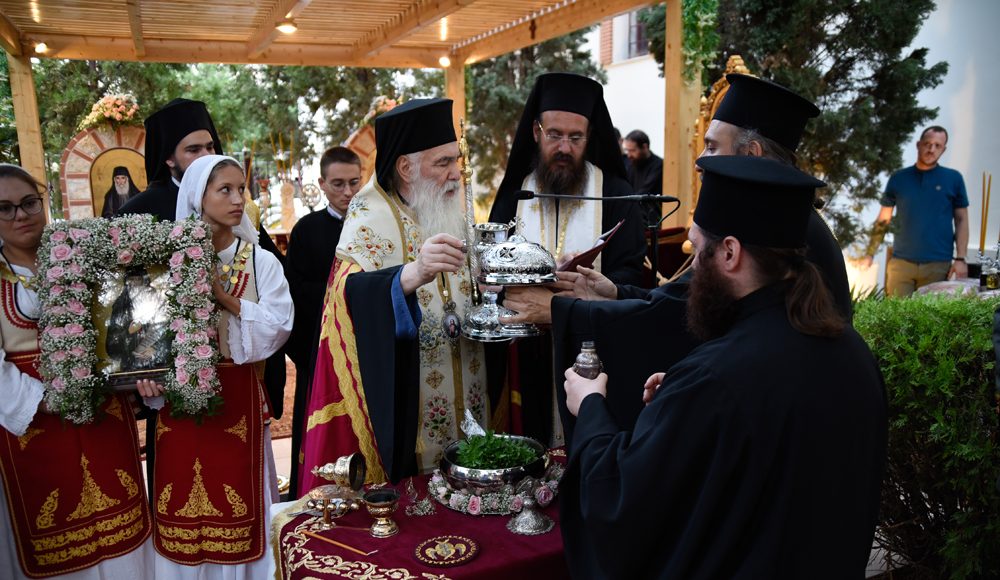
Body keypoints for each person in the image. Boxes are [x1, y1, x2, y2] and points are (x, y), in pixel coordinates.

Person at [560, 156, 887, 579]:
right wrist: (682, 407)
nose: (692, 267)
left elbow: (621, 502)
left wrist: (590, 407)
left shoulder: (715, 378)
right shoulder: (852, 352)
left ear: (730, 252)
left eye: (697, 249)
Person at [540, 73, 853, 447]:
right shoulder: (779, 219)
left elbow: (681, 316)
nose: (701, 160)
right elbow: (683, 298)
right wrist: (615, 295)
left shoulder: (786, 233)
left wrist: (565, 313)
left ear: (750, 156)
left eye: (711, 146)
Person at [298, 99, 490, 492]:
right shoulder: (370, 214)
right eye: (442, 163)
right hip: (410, 405)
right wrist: (412, 274)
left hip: (472, 385)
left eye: (456, 160)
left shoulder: (453, 207)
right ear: (406, 167)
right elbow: (344, 301)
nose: (456, 174)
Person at [119, 98, 288, 493]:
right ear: (169, 159)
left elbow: (272, 298)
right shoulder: (140, 214)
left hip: (241, 380)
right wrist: (143, 370)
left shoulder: (246, 235)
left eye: (210, 147)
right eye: (193, 149)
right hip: (177, 392)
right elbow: (134, 310)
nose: (205, 156)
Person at [137, 155, 292, 575]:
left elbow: (279, 329)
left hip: (239, 397)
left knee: (241, 499)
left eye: (241, 189)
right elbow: (143, 330)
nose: (238, 199)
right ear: (197, 196)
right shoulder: (165, 262)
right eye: (224, 190)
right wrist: (147, 374)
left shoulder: (261, 261)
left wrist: (225, 298)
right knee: (181, 499)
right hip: (178, 403)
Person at [0, 164, 154, 578]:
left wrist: (141, 369)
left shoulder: (89, 260)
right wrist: (49, 398)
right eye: (5, 208)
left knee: (123, 530)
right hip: (34, 427)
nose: (20, 215)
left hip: (104, 415)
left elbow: (127, 322)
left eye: (29, 202)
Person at [488, 72, 647, 445]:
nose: (564, 147)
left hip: (592, 349)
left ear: (589, 138)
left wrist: (588, 286)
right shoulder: (516, 194)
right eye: (554, 135)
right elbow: (487, 265)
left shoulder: (616, 195)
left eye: (575, 138)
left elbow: (632, 275)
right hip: (524, 354)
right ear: (535, 132)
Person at [285, 146, 363, 497]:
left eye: (354, 183)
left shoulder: (372, 226)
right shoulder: (306, 230)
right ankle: (314, 491)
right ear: (322, 183)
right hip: (321, 347)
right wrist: (345, 291)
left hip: (365, 344)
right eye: (338, 184)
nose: (347, 192)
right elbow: (296, 291)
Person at [862, 126, 969, 296]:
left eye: (937, 145)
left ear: (943, 149)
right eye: (927, 143)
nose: (931, 149)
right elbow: (884, 218)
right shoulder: (899, 178)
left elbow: (962, 220)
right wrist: (870, 253)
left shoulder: (953, 179)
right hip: (901, 263)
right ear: (918, 144)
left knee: (930, 319)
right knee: (895, 317)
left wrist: (961, 258)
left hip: (937, 265)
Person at [622, 129, 664, 224]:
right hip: (632, 213)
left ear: (645, 147)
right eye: (627, 151)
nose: (629, 155)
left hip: (650, 219)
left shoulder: (658, 165)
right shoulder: (630, 163)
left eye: (632, 150)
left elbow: (644, 192)